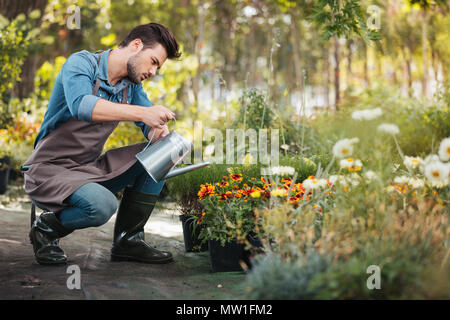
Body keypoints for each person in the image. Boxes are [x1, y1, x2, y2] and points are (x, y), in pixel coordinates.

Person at [23, 23, 181, 265]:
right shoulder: (82, 64)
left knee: (165, 151)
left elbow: (149, 123)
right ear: (136, 45)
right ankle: (46, 228)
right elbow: (82, 106)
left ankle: (128, 241)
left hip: (88, 169)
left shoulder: (131, 86)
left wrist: (157, 132)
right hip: (50, 169)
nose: (153, 71)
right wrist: (141, 113)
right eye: (153, 61)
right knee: (101, 205)